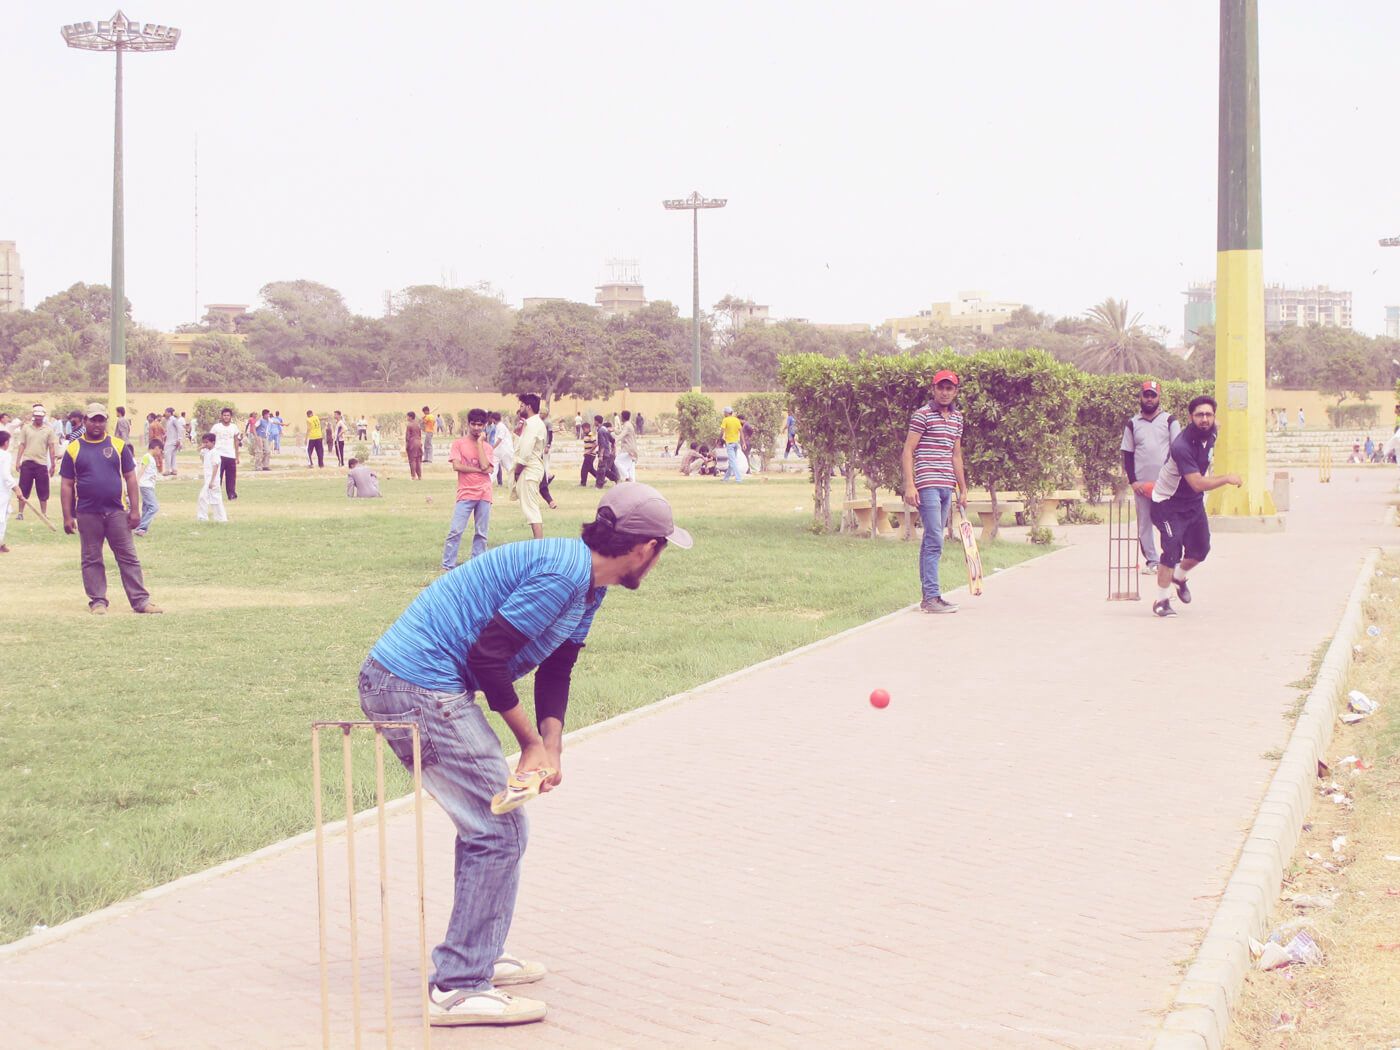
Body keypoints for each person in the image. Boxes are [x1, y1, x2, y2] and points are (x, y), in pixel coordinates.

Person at [358, 483, 692, 1027]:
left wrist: (552, 748)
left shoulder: (590, 585)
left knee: (491, 827)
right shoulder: (562, 573)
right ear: (642, 548)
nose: (659, 561)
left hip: (427, 684)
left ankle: (476, 957)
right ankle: (459, 986)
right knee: (498, 830)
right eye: (661, 550)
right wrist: (528, 745)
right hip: (410, 685)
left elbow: (557, 666)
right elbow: (489, 659)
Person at [59, 403, 162, 615]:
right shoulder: (74, 448)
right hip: (87, 512)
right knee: (91, 558)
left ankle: (141, 601)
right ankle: (98, 601)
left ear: (106, 421)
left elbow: (131, 477)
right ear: (85, 421)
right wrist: (67, 516)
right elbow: (67, 484)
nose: (97, 424)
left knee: (128, 557)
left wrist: (135, 510)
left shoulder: (118, 445)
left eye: (101, 420)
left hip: (116, 512)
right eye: (92, 420)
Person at [1148, 395, 1243, 618]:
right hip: (1167, 504)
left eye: (1209, 415)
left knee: (1201, 551)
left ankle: (1179, 577)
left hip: (1192, 503)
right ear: (1190, 417)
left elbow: (1216, 426)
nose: (1204, 419)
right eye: (1199, 415)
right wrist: (1227, 478)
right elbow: (1198, 483)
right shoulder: (1181, 446)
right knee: (1171, 550)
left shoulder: (1212, 431)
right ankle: (1161, 601)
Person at [901, 369, 969, 615]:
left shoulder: (957, 419)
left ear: (955, 391)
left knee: (931, 540)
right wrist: (911, 484)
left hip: (946, 485)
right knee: (935, 541)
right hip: (927, 484)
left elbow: (956, 454)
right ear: (933, 389)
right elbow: (908, 450)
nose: (945, 392)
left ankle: (928, 597)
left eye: (949, 388)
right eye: (941, 387)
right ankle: (932, 598)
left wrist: (962, 488)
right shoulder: (922, 415)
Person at [1120, 380, 1181, 575]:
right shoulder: (1132, 423)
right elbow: (1127, 454)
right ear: (1140, 397)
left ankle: (1171, 559)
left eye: (1153, 395)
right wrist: (1133, 481)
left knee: (1168, 522)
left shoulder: (1170, 420)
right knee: (1144, 523)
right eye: (1146, 395)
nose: (1149, 398)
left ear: (1158, 397)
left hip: (1165, 485)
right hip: (1142, 485)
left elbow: (1178, 450)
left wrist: (1171, 478)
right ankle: (1152, 561)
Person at [442, 408, 495, 569]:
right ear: (468, 424)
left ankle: (477, 564)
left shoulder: (487, 447)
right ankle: (448, 564)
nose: (477, 428)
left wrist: (479, 444)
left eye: (480, 425)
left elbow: (487, 466)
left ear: (485, 425)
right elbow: (457, 466)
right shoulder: (459, 444)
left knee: (481, 533)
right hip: (466, 492)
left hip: (484, 493)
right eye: (474, 424)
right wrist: (479, 470)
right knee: (455, 531)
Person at [14, 404, 61, 523]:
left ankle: (44, 513)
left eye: (40, 417)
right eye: (36, 417)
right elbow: (22, 445)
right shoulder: (26, 428)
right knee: (23, 488)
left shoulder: (48, 430)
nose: (38, 419)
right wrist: (18, 461)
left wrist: (53, 465)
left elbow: (51, 448)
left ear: (44, 417)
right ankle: (20, 513)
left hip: (41, 464)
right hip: (27, 462)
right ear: (33, 416)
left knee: (43, 489)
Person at [514, 395, 549, 540]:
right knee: (531, 508)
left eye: (522, 405)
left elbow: (526, 453)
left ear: (528, 406)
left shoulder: (533, 425)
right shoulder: (534, 424)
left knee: (532, 510)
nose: (520, 408)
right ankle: (538, 544)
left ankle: (539, 546)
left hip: (529, 470)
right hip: (532, 469)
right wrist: (517, 433)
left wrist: (517, 471)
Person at [196, 432, 229, 524]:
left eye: (207, 442)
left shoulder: (215, 453)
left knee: (209, 498)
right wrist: (203, 446)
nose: (205, 444)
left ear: (213, 442)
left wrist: (212, 481)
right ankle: (218, 518)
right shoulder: (207, 451)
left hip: (213, 479)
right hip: (208, 479)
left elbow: (216, 466)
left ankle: (216, 518)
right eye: (204, 442)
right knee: (211, 499)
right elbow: (198, 451)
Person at [212, 407, 241, 500]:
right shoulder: (216, 427)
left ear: (231, 416)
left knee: (231, 477)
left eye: (228, 415)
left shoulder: (234, 427)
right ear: (221, 416)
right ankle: (216, 495)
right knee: (218, 477)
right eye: (224, 415)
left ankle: (231, 495)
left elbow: (236, 442)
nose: (226, 417)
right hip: (218, 455)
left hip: (230, 455)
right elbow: (211, 440)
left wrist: (237, 456)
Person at [134, 439, 161, 536]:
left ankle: (140, 528)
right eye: (160, 450)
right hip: (145, 485)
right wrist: (136, 481)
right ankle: (141, 527)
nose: (160, 452)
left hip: (149, 485)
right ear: (156, 448)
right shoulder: (147, 457)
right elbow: (142, 469)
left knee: (146, 508)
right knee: (154, 507)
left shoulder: (151, 458)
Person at [720, 407, 743, 483]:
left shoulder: (725, 420)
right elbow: (741, 431)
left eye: (724, 412)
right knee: (731, 461)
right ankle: (726, 478)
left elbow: (722, 431)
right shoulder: (736, 420)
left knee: (732, 461)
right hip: (736, 443)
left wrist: (718, 439)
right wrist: (744, 442)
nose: (724, 414)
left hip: (730, 444)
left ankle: (739, 479)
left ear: (727, 413)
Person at [592, 415, 616, 488]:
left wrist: (601, 455)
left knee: (601, 469)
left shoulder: (600, 431)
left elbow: (602, 444)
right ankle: (599, 484)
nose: (594, 422)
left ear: (596, 421)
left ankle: (599, 485)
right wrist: (612, 449)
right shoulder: (605, 429)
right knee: (602, 469)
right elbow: (612, 440)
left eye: (594, 421)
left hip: (604, 452)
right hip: (607, 452)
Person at [491, 412, 514, 487]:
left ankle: (514, 483)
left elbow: (500, 439)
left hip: (504, 450)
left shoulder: (501, 426)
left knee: (509, 468)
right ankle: (489, 483)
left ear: (493, 419)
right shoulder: (499, 426)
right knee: (494, 467)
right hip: (498, 451)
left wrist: (493, 447)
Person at [0, 430, 14, 552]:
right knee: (2, 517)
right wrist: (16, 487)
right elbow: (6, 475)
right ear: (5, 443)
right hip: (2, 492)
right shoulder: (5, 455)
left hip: (3, 491)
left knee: (6, 513)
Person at [615, 410, 638, 483]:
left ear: (623, 417)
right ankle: (632, 483)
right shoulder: (628, 424)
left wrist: (614, 441)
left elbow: (622, 435)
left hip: (628, 449)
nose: (621, 418)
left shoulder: (627, 425)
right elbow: (621, 432)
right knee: (630, 466)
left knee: (617, 461)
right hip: (632, 448)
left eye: (621, 416)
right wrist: (613, 430)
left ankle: (626, 476)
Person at [161, 407, 181, 476]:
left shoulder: (173, 420)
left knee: (167, 455)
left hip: (172, 441)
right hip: (169, 440)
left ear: (169, 413)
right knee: (172, 455)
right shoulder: (168, 421)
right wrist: (165, 435)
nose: (165, 413)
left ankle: (167, 470)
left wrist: (179, 439)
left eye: (166, 412)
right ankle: (174, 470)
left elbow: (179, 429)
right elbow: (171, 430)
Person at [405, 411, 424, 480]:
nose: (406, 418)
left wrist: (407, 446)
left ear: (410, 417)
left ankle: (413, 476)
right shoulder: (418, 425)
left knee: (412, 460)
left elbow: (407, 437)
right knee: (418, 460)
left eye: (407, 416)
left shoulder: (409, 425)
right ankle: (420, 476)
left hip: (412, 443)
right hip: (419, 442)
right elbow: (420, 435)